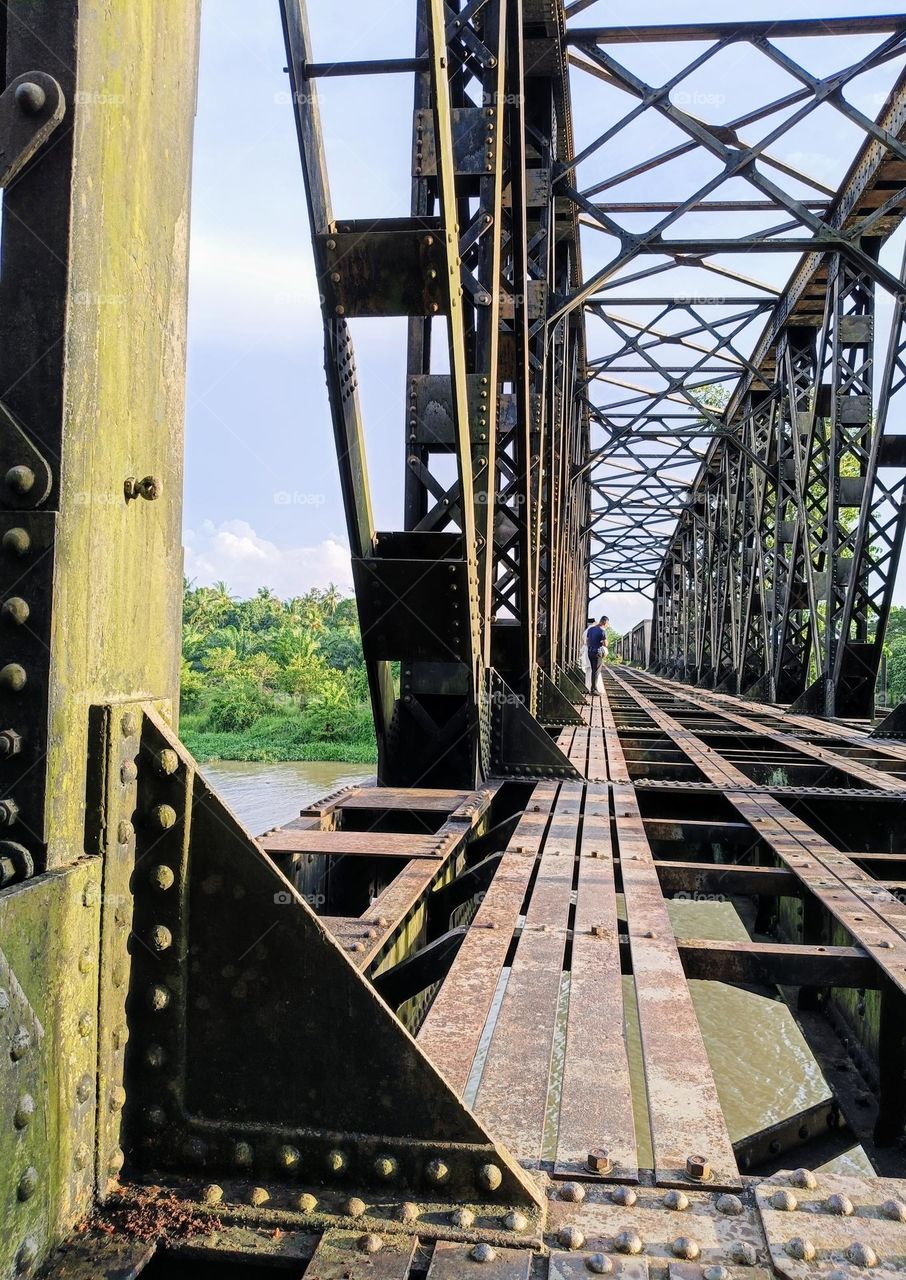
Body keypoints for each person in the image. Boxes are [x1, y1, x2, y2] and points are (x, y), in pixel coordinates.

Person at [586, 616, 608, 693]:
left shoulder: (591, 629)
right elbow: (605, 644)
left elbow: (587, 641)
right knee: (596, 671)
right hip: (597, 653)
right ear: (605, 622)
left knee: (593, 670)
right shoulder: (602, 631)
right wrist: (601, 642)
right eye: (607, 624)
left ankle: (593, 688)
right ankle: (593, 689)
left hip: (590, 652)